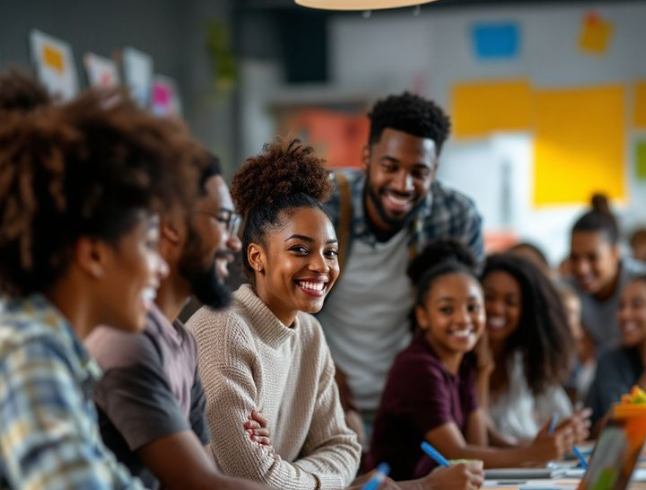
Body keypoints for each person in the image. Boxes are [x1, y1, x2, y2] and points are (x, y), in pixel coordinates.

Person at [0, 90, 182, 489]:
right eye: (150, 243)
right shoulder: (28, 349)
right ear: (94, 254)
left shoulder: (56, 350)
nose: (161, 266)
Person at [86, 153, 271, 490]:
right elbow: (197, 483)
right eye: (224, 222)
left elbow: (206, 473)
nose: (234, 241)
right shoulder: (126, 341)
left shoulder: (182, 341)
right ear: (171, 226)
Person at [318, 91, 484, 433]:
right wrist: (324, 369)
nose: (402, 185)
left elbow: (466, 319)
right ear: (366, 159)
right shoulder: (322, 204)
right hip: (324, 395)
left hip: (412, 403)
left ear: (434, 171)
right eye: (390, 167)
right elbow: (279, 308)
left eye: (419, 172)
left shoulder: (455, 217)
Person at [369, 243, 576, 480]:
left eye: (473, 307)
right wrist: (533, 453)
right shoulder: (418, 367)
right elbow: (458, 453)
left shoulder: (464, 366)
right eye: (447, 309)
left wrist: (483, 368)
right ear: (423, 317)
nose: (463, 319)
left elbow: (479, 444)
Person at [481, 254, 588, 442]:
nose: (497, 309)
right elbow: (477, 442)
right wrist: (532, 451)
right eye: (489, 297)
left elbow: (562, 416)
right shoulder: (459, 362)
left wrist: (567, 431)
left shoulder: (524, 359)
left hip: (525, 467)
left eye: (510, 302)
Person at [569, 194, 646, 355]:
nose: (582, 268)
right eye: (574, 258)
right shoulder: (568, 289)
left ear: (615, 253)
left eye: (592, 258)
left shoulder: (640, 279)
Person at [586, 274, 646, 429]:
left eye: (637, 305)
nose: (624, 314)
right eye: (621, 306)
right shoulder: (611, 359)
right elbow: (617, 428)